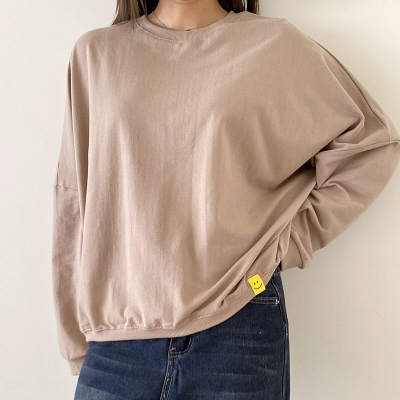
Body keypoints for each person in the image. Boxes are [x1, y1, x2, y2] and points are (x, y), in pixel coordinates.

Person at [51, 0, 400, 399]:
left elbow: (370, 146)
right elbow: (74, 197)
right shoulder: (96, 54)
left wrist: (288, 245)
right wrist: (74, 336)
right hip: (118, 337)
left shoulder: (274, 45)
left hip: (239, 320)